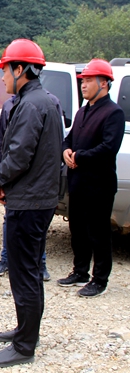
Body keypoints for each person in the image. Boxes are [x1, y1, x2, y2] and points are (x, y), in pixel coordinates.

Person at [0, 39, 62, 368]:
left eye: (5, 70)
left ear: (20, 69)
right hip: (35, 198)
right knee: (27, 270)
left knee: (24, 273)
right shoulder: (45, 100)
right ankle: (25, 330)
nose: (2, 77)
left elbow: (18, 156)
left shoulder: (31, 105)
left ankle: (25, 346)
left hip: (30, 203)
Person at [58, 59, 125, 297]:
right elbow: (69, 138)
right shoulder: (83, 111)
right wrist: (66, 151)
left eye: (88, 80)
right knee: (77, 229)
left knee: (98, 232)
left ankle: (100, 280)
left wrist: (80, 156)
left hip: (99, 184)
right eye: (82, 81)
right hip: (77, 181)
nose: (83, 85)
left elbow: (109, 148)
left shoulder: (113, 112)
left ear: (104, 83)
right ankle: (80, 271)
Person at [0, 92, 64, 282]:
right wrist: (0, 174)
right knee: (10, 217)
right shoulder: (9, 105)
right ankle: (6, 259)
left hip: (37, 178)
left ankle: (40, 263)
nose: (3, 79)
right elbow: (2, 143)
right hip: (11, 175)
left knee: (35, 225)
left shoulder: (50, 102)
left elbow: (55, 142)